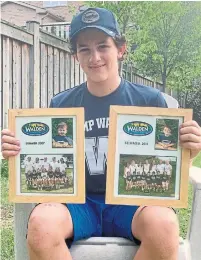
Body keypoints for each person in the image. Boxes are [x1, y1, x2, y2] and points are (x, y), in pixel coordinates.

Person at [1, 7, 201, 260]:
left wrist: (188, 152)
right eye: (84, 48)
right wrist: (18, 151)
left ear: (120, 49)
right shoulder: (62, 105)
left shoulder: (150, 102)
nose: (94, 56)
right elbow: (45, 164)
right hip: (77, 204)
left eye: (103, 46)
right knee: (41, 226)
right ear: (75, 56)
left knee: (164, 226)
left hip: (132, 204)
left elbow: (166, 171)